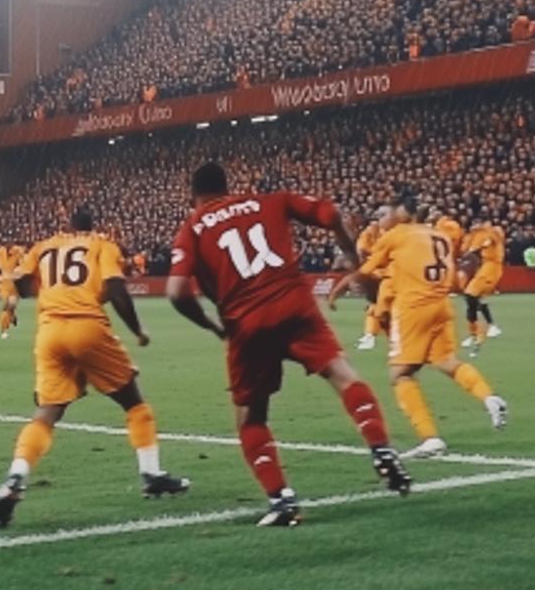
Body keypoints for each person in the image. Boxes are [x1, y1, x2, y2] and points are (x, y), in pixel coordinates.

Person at [169, 163, 410, 528]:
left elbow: (176, 291)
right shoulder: (270, 200)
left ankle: (282, 500)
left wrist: (212, 325)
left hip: (246, 322)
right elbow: (330, 213)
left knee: (251, 416)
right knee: (343, 375)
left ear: (193, 197)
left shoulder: (193, 227)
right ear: (229, 187)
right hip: (295, 304)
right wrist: (353, 262)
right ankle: (380, 447)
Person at [0, 208, 188, 530]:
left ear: (68, 227)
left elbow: (22, 283)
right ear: (93, 227)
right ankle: (151, 474)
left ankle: (16, 477)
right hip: (87, 328)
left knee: (47, 413)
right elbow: (117, 289)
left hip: (49, 333)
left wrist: (47, 290)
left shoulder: (45, 245)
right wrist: (138, 330)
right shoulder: (102, 244)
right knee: (133, 402)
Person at [330, 197, 508, 459]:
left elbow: (366, 270)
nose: (383, 217)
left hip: (413, 308)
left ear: (405, 212)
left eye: (387, 211)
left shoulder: (398, 235)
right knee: (447, 361)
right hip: (442, 305)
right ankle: (490, 398)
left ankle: (430, 437)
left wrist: (339, 287)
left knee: (400, 374)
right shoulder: (439, 235)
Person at [460, 219, 506, 351]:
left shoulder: (491, 233)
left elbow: (473, 249)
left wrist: (470, 251)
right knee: (475, 298)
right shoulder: (479, 235)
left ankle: (479, 331)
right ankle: (486, 329)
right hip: (486, 267)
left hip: (492, 268)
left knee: (470, 295)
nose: (474, 226)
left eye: (477, 223)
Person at [354, 208, 393, 352]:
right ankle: (370, 336)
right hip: (381, 273)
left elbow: (364, 251)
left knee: (381, 308)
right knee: (376, 306)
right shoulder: (371, 232)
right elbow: (361, 250)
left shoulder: (389, 234)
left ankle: (372, 337)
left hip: (389, 275)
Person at [0, 244, 26, 339]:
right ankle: (4, 330)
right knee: (6, 307)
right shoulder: (0, 252)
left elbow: (23, 267)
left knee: (11, 307)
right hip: (3, 285)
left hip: (14, 285)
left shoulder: (18, 252)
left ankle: (12, 316)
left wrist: (17, 273)